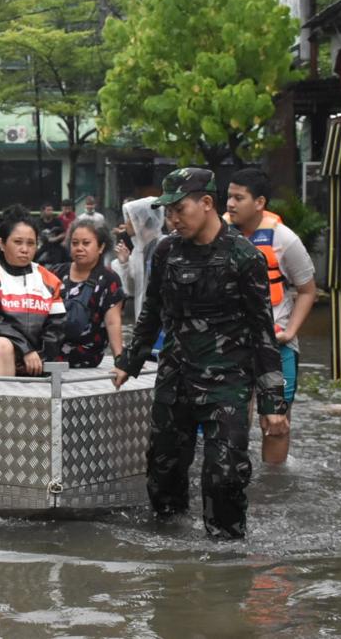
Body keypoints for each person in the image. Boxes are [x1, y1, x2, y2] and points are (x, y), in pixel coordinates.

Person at [112, 167, 289, 540]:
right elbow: (151, 314)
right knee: (163, 476)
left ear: (207, 203)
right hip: (175, 379)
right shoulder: (166, 252)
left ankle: (225, 566)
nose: (173, 219)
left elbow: (263, 334)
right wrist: (129, 361)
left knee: (224, 476)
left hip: (227, 384)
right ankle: (171, 559)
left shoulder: (245, 257)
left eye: (180, 210)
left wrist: (273, 403)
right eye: (168, 212)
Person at [226, 168, 316, 464]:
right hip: (232, 344)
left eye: (239, 198)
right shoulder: (217, 235)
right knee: (233, 419)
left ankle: (274, 487)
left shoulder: (285, 239)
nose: (230, 204)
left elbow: (306, 290)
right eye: (229, 196)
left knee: (275, 422)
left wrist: (290, 333)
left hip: (276, 344)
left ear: (260, 202)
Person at [0, 206, 66, 376]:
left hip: (33, 360)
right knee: (2, 346)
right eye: (18, 242)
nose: (25, 249)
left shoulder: (50, 280)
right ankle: (2, 402)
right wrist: (25, 350)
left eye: (31, 243)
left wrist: (41, 358)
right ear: (2, 244)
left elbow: (56, 328)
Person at [52, 219, 125, 368]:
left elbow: (113, 322)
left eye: (86, 243)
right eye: (75, 243)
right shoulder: (56, 272)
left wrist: (120, 358)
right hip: (51, 353)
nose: (79, 248)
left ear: (101, 247)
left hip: (86, 356)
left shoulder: (109, 280)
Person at [113, 196, 167, 320]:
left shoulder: (164, 246)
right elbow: (133, 290)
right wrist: (125, 263)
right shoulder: (137, 251)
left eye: (129, 218)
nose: (126, 223)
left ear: (141, 221)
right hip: (143, 319)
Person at [34, 201, 69, 267]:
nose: (50, 212)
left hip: (55, 246)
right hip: (43, 246)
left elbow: (64, 233)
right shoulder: (38, 222)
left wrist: (55, 239)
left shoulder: (57, 221)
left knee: (61, 259)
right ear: (43, 211)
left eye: (51, 210)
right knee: (35, 258)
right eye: (48, 210)